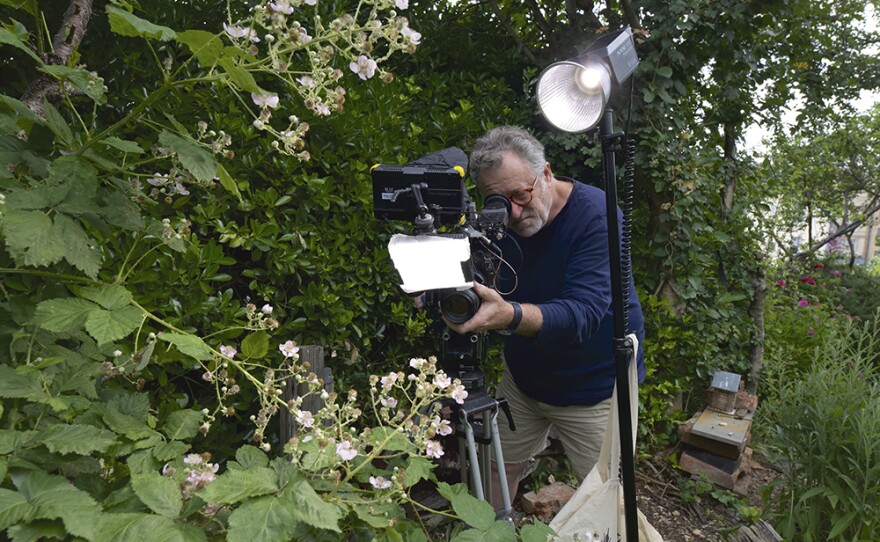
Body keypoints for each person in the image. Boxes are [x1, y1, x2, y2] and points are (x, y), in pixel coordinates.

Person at [444, 125, 646, 510]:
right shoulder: (495, 221)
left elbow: (583, 314)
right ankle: (492, 534)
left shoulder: (597, 217)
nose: (514, 213)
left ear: (548, 174)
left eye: (522, 195)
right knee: (494, 471)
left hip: (596, 387)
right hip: (525, 380)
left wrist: (508, 316)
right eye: (500, 203)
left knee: (606, 500)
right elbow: (484, 275)